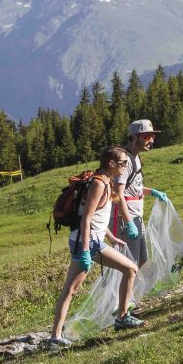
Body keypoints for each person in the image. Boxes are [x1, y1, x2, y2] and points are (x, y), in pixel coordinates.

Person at [50, 146, 143, 348]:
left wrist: (111, 237)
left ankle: (122, 316)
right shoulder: (99, 184)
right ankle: (55, 338)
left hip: (93, 240)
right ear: (111, 164)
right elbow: (87, 219)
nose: (126, 167)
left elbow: (98, 219)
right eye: (123, 164)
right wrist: (85, 250)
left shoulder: (105, 181)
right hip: (86, 242)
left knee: (130, 269)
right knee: (71, 290)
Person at [112, 119, 170, 269]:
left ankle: (132, 291)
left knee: (142, 259)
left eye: (152, 137)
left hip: (136, 215)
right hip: (125, 219)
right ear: (134, 137)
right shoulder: (123, 160)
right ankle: (127, 293)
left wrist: (153, 192)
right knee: (130, 264)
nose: (150, 141)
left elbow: (134, 188)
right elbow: (118, 194)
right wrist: (129, 222)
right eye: (146, 137)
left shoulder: (136, 157)